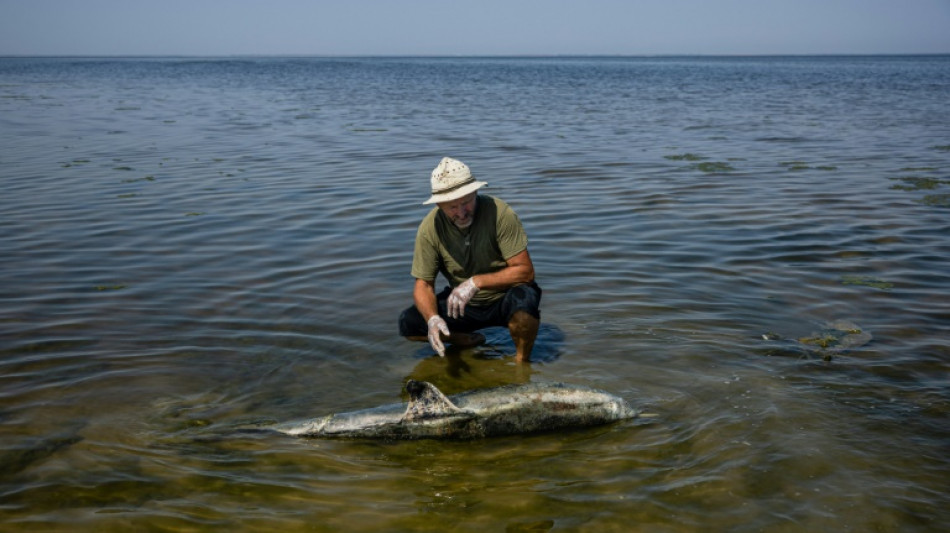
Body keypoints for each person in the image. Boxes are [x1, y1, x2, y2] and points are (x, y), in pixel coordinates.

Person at [398, 157, 541, 362]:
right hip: (462, 304)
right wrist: (432, 318)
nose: (462, 213)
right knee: (409, 323)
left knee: (525, 303)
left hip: (503, 297)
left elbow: (525, 271)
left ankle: (522, 362)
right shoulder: (429, 228)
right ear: (439, 205)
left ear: (475, 192)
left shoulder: (500, 213)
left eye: (466, 202)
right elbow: (423, 285)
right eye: (452, 208)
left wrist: (476, 282)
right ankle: (466, 340)